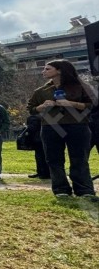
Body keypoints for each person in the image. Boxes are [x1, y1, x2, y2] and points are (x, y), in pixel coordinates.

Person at [27, 59, 96, 198]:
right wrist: (43, 106)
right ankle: (61, 190)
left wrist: (70, 103)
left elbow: (91, 106)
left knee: (79, 158)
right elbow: (31, 109)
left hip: (77, 126)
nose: (43, 71)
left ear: (59, 70)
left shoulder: (81, 87)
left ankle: (84, 190)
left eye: (47, 69)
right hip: (50, 127)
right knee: (54, 160)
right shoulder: (41, 91)